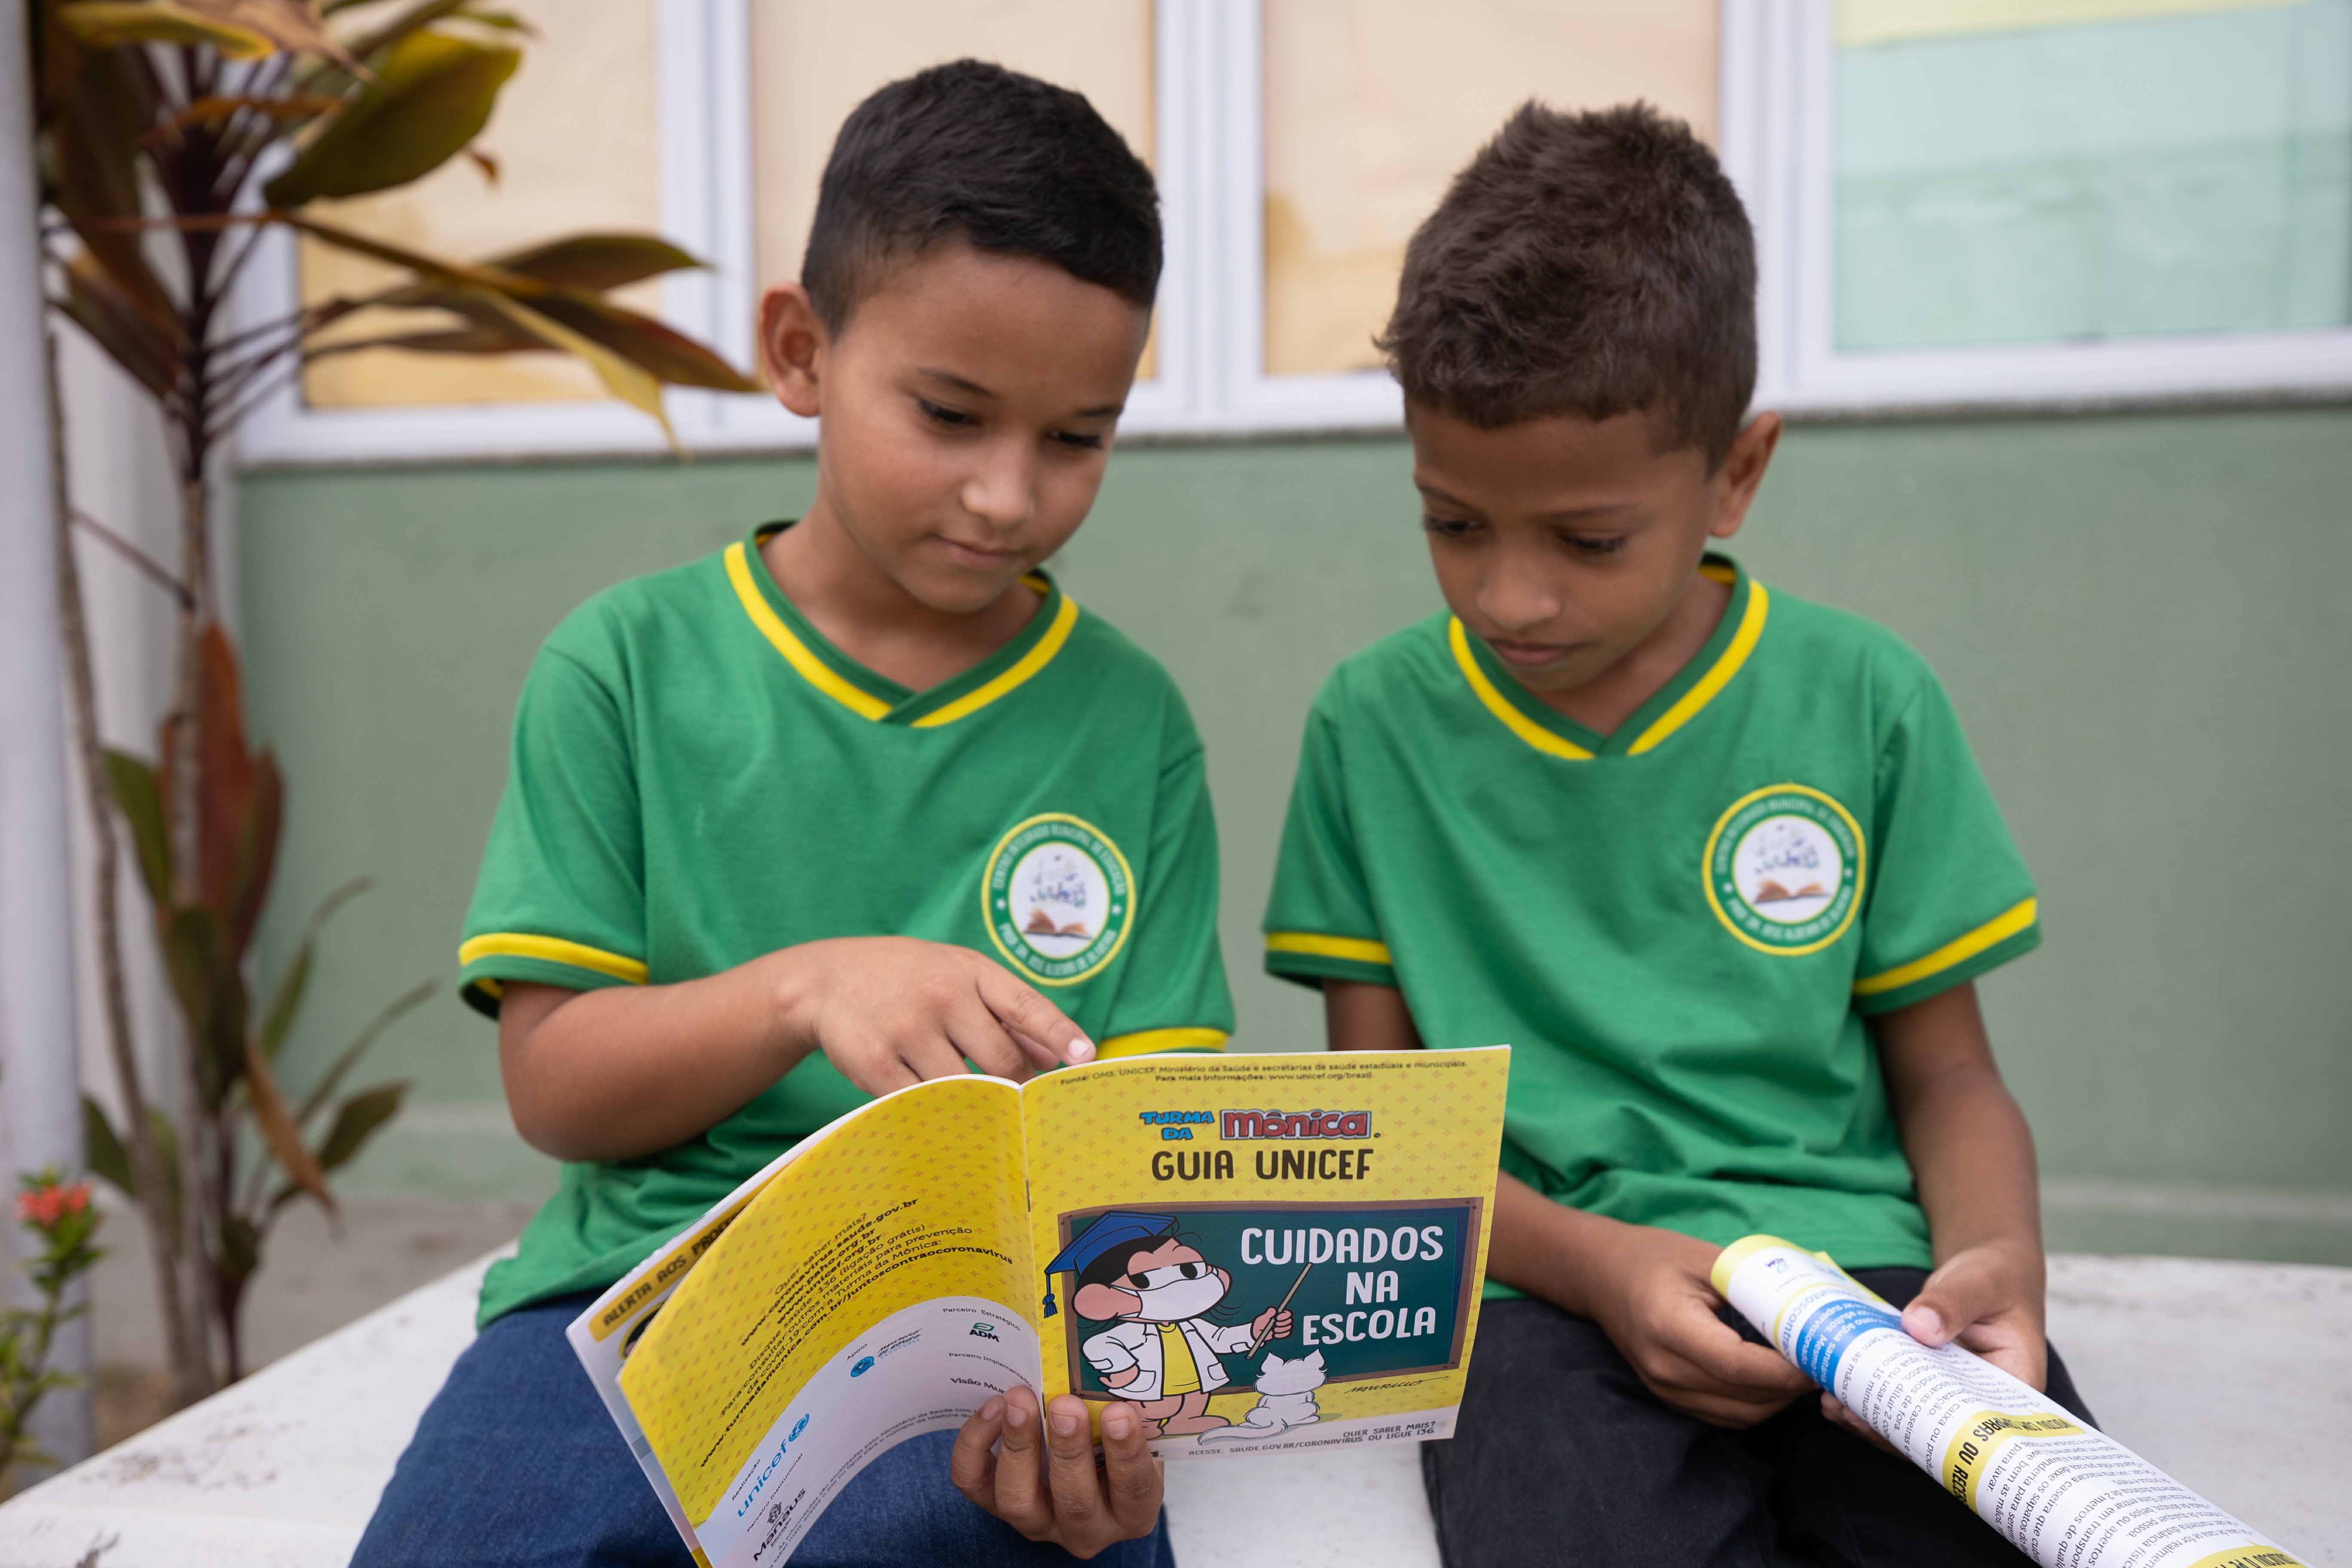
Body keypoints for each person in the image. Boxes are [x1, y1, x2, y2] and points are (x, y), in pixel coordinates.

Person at [355, 61, 1223, 1568]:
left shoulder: (1129, 722)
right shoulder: (624, 667)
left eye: (1077, 437)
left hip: (985, 1352)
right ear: (799, 349)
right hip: (629, 1297)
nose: (1010, 496)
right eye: (950, 414)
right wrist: (806, 988)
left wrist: (1125, 1415)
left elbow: (1148, 1151)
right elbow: (555, 1088)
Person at [1260, 102, 2093, 1566]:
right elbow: (1384, 1143)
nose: (1511, 597)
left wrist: (2002, 1267)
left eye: (1587, 541)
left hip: (1873, 1285)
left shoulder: (1864, 698)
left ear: (1736, 475)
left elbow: (1951, 1072)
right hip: (1531, 1291)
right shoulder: (1369, 727)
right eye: (1453, 525)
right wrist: (1593, 1264)